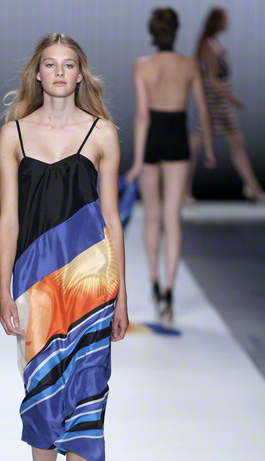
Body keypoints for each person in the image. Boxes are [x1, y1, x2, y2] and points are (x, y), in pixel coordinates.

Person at [0, 33, 128, 461]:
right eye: (49, 64)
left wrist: (123, 295)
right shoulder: (14, 135)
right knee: (43, 400)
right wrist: (3, 289)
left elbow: (112, 218)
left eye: (68, 65)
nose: (58, 73)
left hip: (92, 283)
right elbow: (8, 217)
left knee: (87, 404)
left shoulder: (103, 134)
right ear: (37, 73)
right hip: (37, 287)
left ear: (80, 74)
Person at [125, 7, 215, 324]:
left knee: (152, 217)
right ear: (176, 31)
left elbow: (142, 117)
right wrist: (210, 148)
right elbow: (202, 111)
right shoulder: (189, 65)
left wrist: (138, 162)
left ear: (152, 33)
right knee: (172, 218)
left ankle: (154, 283)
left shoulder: (142, 66)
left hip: (152, 139)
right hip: (177, 137)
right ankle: (169, 294)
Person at [187, 7, 265, 205]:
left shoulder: (212, 43)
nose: (227, 23)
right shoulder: (209, 45)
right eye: (225, 19)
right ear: (217, 21)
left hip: (218, 100)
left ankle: (252, 187)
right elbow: (211, 78)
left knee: (232, 141)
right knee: (199, 143)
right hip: (215, 101)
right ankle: (183, 190)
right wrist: (232, 98)